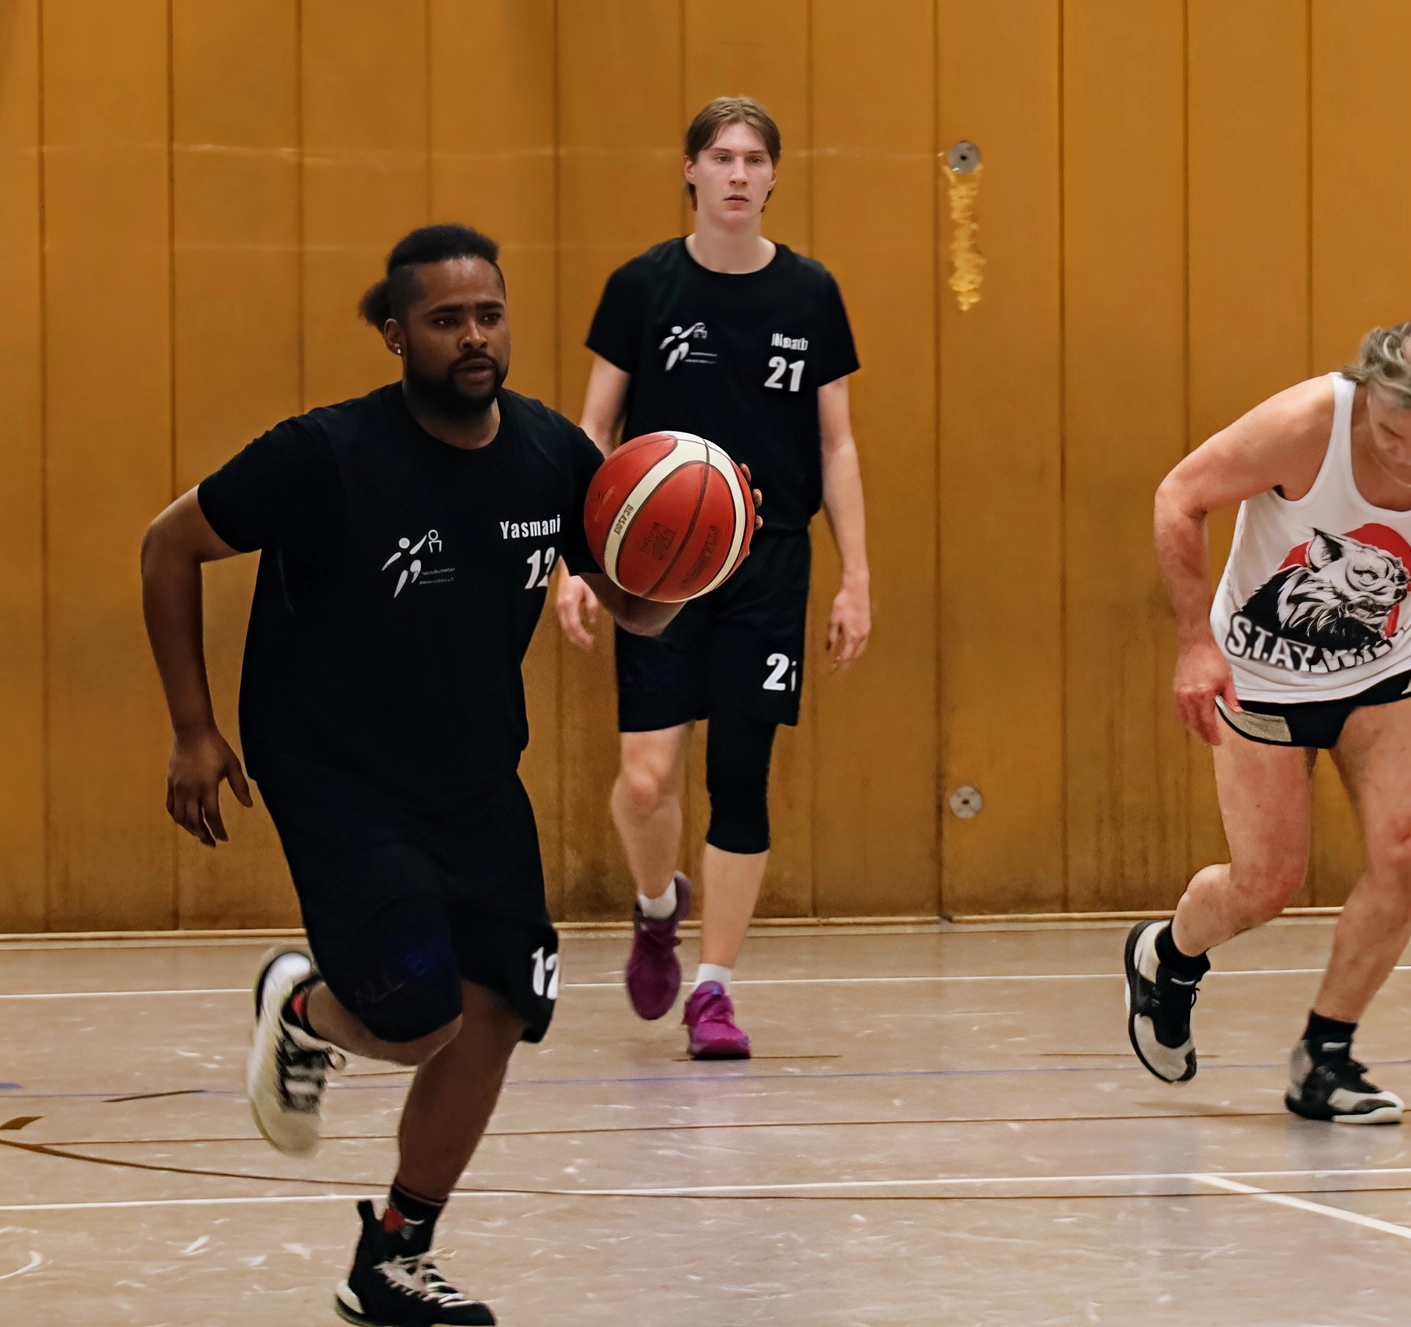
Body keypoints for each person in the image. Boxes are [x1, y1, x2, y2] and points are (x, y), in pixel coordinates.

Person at [140, 225, 697, 1326]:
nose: (475, 335)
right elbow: (168, 546)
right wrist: (193, 730)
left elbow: (635, 604)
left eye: (489, 312)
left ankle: (393, 1253)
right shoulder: (324, 457)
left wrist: (699, 554)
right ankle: (305, 1004)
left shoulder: (552, 455)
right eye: (446, 320)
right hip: (335, 771)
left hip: (477, 773)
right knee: (416, 1014)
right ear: (397, 335)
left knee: (497, 1009)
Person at [552, 96, 871, 1059]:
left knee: (741, 774)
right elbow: (590, 431)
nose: (738, 173)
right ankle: (657, 907)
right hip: (656, 567)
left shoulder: (812, 294)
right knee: (645, 782)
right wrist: (573, 560)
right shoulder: (641, 287)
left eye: (754, 159)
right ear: (689, 171)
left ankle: (715, 990)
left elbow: (838, 442)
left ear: (775, 177)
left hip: (768, 557)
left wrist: (856, 574)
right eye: (720, 157)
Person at [1132, 320, 1411, 1124]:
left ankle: (1326, 1054)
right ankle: (1168, 955)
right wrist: (1196, 643)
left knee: (1407, 848)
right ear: (1364, 393)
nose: (1407, 454)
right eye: (1390, 434)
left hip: (1385, 672)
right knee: (1267, 883)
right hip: (1258, 670)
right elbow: (1179, 496)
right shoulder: (1306, 425)